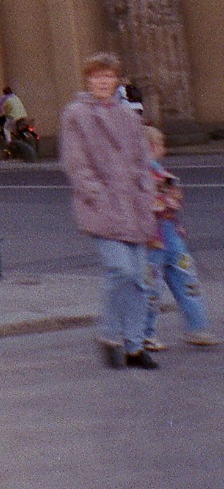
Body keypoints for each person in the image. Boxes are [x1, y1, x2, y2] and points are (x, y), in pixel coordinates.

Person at [58, 51, 159, 369]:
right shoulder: (76, 114)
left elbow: (143, 161)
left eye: (108, 76)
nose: (103, 82)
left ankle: (134, 346)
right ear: (88, 80)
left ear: (116, 81)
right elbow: (76, 163)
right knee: (121, 270)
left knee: (141, 280)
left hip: (135, 207)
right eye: (97, 76)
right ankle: (108, 334)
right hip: (101, 209)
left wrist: (146, 193)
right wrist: (98, 196)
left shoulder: (129, 116)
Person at [142, 126, 216, 350]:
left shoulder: (156, 171)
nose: (162, 150)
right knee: (154, 286)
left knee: (181, 278)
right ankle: (146, 333)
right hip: (152, 236)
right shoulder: (143, 172)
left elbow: (169, 193)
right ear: (151, 147)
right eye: (160, 145)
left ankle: (195, 326)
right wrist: (169, 193)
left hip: (168, 233)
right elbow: (165, 194)